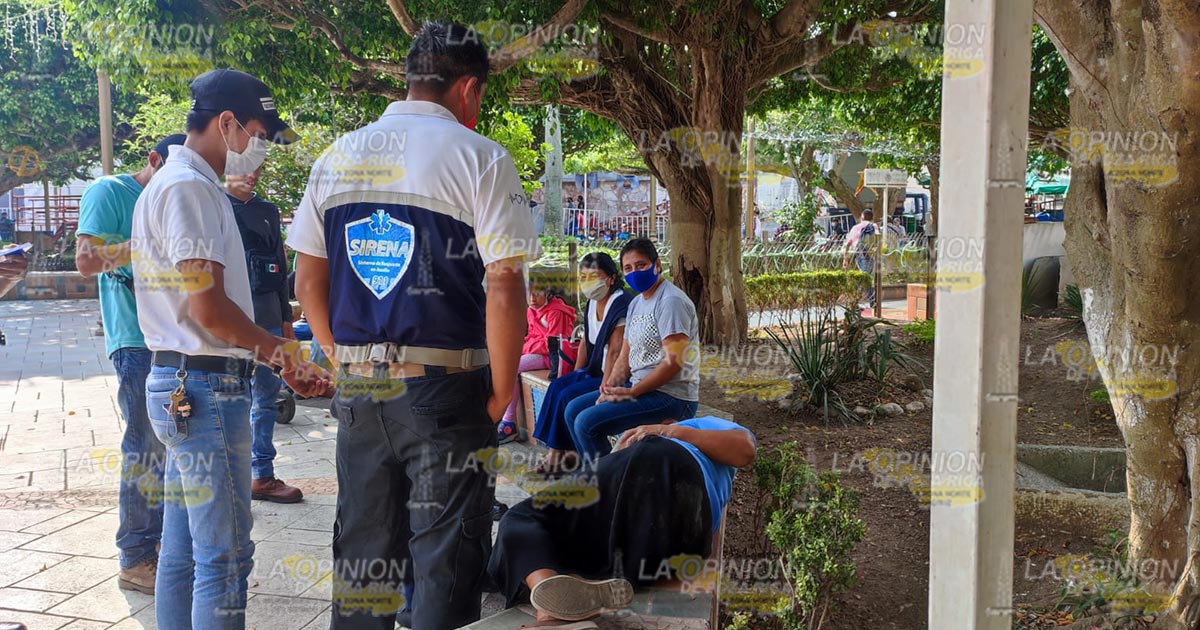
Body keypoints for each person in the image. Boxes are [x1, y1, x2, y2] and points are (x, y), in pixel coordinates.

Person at [287, 23, 539, 630]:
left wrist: (338, 355)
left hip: (360, 389)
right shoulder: (481, 158)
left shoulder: (338, 156)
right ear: (469, 88)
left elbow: (307, 280)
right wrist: (502, 391)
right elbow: (505, 285)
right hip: (445, 388)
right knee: (446, 557)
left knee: (363, 552)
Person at [131, 68, 327, 628]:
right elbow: (209, 310)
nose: (260, 148)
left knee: (183, 552)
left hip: (184, 383)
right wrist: (282, 353)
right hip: (204, 390)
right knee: (226, 557)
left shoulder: (177, 184)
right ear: (226, 123)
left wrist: (274, 358)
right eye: (259, 134)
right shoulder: (189, 189)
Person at [488, 417, 757, 626]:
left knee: (522, 517)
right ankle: (557, 609)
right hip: (671, 544)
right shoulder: (707, 467)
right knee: (574, 540)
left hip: (660, 466)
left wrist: (668, 431)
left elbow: (745, 449)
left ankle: (548, 602)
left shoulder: (698, 426)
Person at [75, 133, 184, 595]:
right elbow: (85, 260)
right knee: (145, 448)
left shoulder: (176, 197)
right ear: (154, 160)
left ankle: (160, 548)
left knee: (172, 448)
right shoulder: (110, 192)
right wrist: (146, 245)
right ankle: (136, 557)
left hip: (176, 338)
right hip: (136, 342)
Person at [564, 238, 699, 462]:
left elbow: (674, 362)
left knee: (586, 423)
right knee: (572, 410)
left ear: (657, 265)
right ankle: (601, 471)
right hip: (639, 388)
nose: (634, 272)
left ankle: (609, 476)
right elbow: (624, 356)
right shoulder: (636, 303)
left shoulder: (671, 301)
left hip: (671, 396)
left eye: (641, 265)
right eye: (628, 268)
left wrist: (633, 392)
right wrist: (608, 388)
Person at [225, 164, 304, 503]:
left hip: (270, 317)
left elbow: (280, 270)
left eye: (258, 167)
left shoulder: (267, 210)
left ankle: (262, 474)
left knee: (266, 401)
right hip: (232, 323)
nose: (252, 173)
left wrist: (287, 323)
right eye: (245, 166)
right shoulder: (213, 204)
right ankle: (234, 479)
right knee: (232, 401)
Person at [532, 253, 631, 474]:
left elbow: (615, 352)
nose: (587, 282)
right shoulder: (592, 303)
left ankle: (562, 456)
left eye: (593, 276)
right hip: (595, 369)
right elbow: (586, 340)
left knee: (568, 396)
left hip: (615, 376)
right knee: (558, 387)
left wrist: (606, 388)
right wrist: (576, 373)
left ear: (611, 278)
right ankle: (557, 453)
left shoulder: (621, 304)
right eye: (583, 276)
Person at [496, 281, 576, 444]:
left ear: (547, 292)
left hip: (553, 358)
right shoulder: (531, 310)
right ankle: (505, 418)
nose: (532, 298)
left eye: (537, 293)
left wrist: (526, 347)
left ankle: (509, 422)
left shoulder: (556, 312)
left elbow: (554, 344)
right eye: (528, 294)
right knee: (504, 362)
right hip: (537, 352)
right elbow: (532, 336)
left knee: (512, 367)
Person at [843, 209, 879, 306]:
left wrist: (845, 259)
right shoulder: (873, 226)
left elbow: (848, 244)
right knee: (865, 277)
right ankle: (868, 300)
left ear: (862, 217)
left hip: (859, 253)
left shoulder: (855, 227)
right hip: (871, 253)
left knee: (864, 277)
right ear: (872, 217)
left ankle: (857, 300)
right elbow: (878, 237)